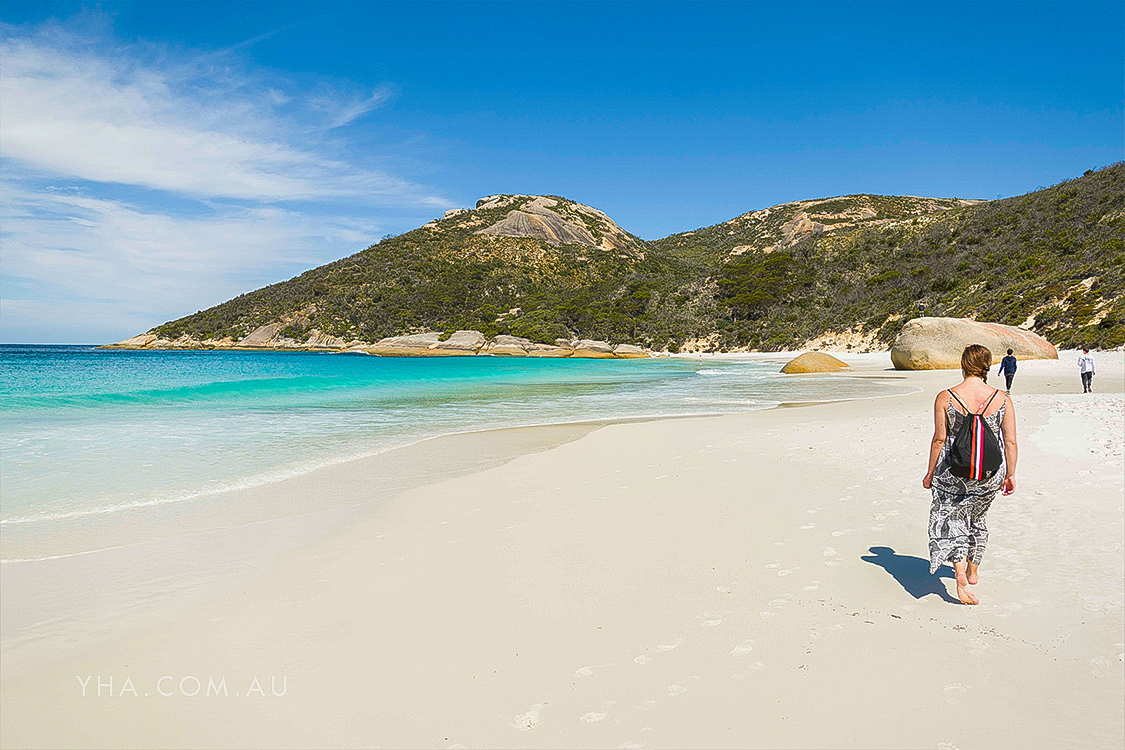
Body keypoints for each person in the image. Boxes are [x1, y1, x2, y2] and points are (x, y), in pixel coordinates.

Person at [922, 344, 1018, 605]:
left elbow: (939, 438)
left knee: (952, 521)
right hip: (988, 473)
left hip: (952, 472)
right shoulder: (1002, 399)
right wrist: (1010, 474)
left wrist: (930, 472)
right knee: (978, 519)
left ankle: (959, 571)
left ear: (962, 365)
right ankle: (973, 570)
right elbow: (1009, 441)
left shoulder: (946, 397)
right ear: (987, 366)